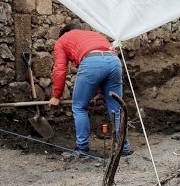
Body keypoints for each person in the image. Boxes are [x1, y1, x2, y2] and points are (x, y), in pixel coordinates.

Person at [49, 23, 130, 155]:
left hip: (92, 62)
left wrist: (56, 96)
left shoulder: (62, 40)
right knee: (116, 109)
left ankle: (82, 149)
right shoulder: (93, 35)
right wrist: (100, 92)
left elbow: (60, 69)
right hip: (114, 62)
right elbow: (103, 62)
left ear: (64, 33)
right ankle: (124, 148)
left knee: (79, 107)